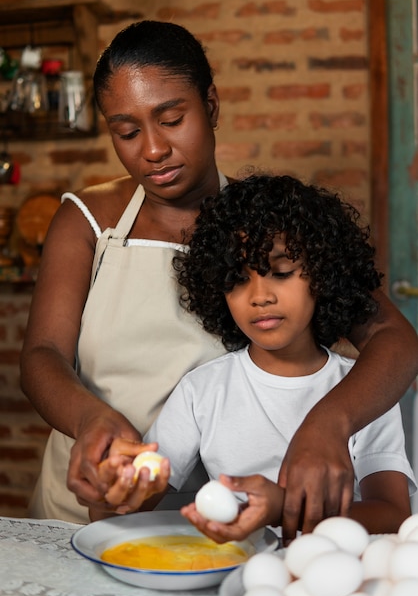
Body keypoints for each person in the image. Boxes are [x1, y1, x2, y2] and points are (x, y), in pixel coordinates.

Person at [19, 21, 418, 540]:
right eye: (127, 131)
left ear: (210, 106)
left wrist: (328, 423)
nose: (154, 149)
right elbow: (41, 355)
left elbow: (395, 340)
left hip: (219, 530)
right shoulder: (89, 220)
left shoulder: (264, 228)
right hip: (104, 505)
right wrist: (90, 419)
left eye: (172, 119)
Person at [97, 174, 416, 538]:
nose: (259, 296)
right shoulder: (203, 390)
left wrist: (282, 509)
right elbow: (126, 509)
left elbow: (393, 516)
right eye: (237, 280)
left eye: (280, 273)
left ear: (323, 274)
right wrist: (113, 490)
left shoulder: (364, 389)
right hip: (232, 574)